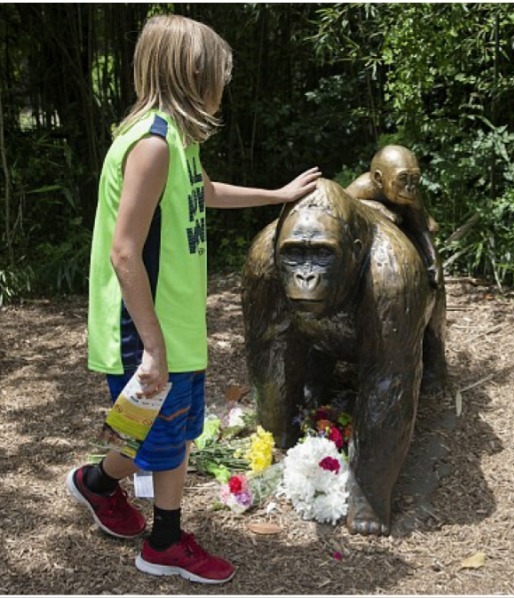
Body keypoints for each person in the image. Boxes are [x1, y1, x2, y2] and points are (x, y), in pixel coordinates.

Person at [65, 14, 320, 585]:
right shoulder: (152, 145)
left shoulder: (176, 141)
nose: (223, 86)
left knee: (157, 430)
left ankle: (97, 484)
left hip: (172, 323)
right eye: (220, 75)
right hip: (146, 327)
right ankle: (164, 544)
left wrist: (277, 194)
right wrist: (153, 347)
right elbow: (124, 253)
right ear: (194, 74)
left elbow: (203, 192)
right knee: (167, 440)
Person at [344, 145, 440, 288]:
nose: (410, 187)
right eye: (403, 178)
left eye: (414, 178)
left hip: (402, 216)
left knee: (432, 226)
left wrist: (434, 261)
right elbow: (345, 204)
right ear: (379, 179)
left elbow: (422, 229)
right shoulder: (363, 187)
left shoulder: (413, 194)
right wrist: (378, 207)